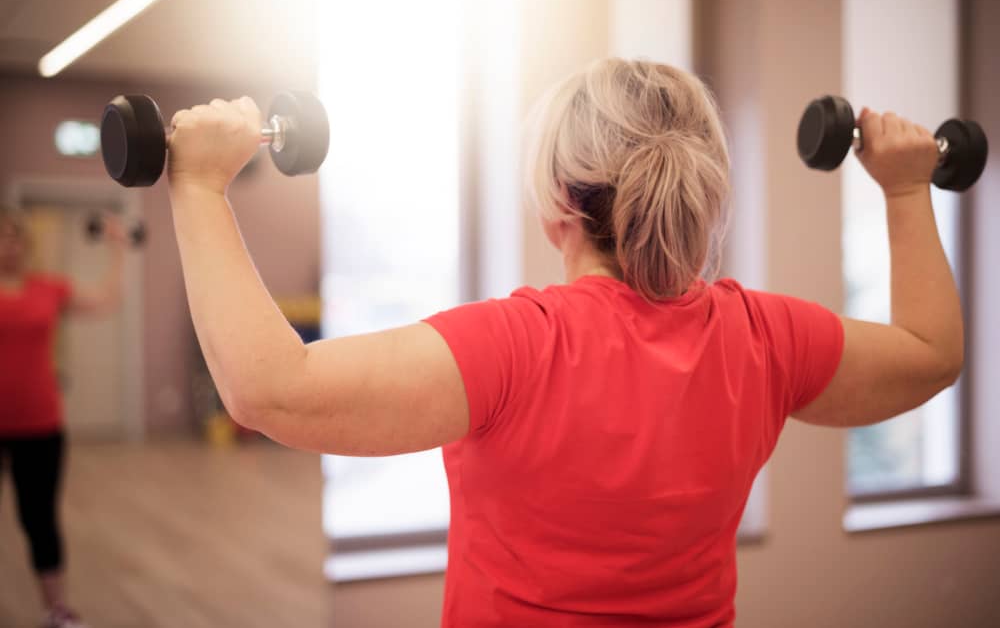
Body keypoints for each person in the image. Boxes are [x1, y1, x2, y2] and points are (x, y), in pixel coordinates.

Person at [164, 59, 962, 627]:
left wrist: (199, 187)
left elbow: (269, 388)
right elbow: (930, 351)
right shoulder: (764, 338)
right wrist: (903, 187)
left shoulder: (519, 348)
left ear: (556, 202)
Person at [0, 208, 125, 628]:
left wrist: (118, 249)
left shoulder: (47, 288)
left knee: (39, 519)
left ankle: (56, 611)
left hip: (41, 425)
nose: (9, 244)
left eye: (15, 235)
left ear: (25, 242)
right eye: (2, 236)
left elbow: (107, 300)